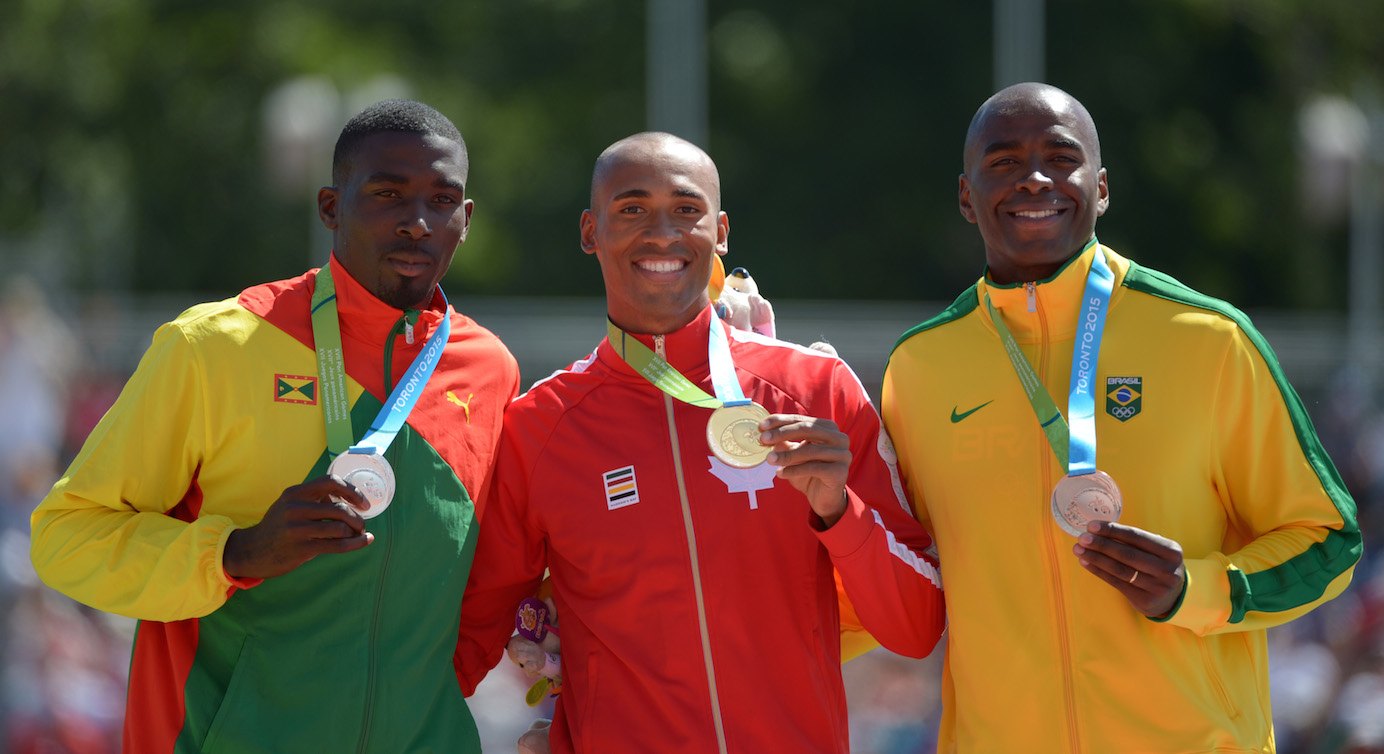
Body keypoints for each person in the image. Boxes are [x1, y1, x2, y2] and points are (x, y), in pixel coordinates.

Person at [881, 81, 1362, 752]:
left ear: (1100, 187)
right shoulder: (919, 369)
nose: (1035, 179)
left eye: (1060, 156)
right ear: (967, 196)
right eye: (1004, 162)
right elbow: (903, 576)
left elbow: (1329, 540)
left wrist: (1197, 590)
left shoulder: (1207, 338)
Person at [29, 99, 520, 753]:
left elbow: (489, 580)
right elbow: (66, 540)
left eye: (442, 199)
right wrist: (234, 554)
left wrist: (427, 696)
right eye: (387, 194)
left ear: (466, 219)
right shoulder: (213, 347)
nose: (417, 222)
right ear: (329, 207)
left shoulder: (489, 372)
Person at [455, 132, 945, 754]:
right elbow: (473, 633)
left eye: (687, 210)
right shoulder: (540, 425)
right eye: (632, 209)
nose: (662, 232)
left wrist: (839, 513)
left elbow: (918, 627)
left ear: (720, 232)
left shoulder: (815, 389)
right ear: (590, 232)